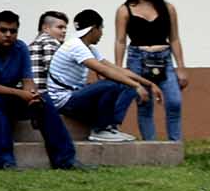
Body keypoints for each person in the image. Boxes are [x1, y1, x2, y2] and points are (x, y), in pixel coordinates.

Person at [0, 10, 82, 171]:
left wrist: (32, 95)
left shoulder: (21, 48)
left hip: (4, 95)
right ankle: (4, 161)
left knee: (44, 101)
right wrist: (21, 94)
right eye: (3, 30)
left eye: (13, 31)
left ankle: (65, 159)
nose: (8, 34)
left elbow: (27, 81)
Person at [47, 8, 147, 142]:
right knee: (111, 85)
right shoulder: (75, 46)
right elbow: (104, 71)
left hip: (76, 95)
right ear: (94, 28)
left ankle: (111, 126)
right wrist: (137, 85)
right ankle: (101, 129)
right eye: (101, 29)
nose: (101, 34)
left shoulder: (89, 48)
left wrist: (145, 84)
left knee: (126, 85)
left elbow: (115, 69)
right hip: (64, 101)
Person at [114, 0, 187, 142]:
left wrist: (181, 67)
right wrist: (118, 69)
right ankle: (151, 145)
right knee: (145, 104)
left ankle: (175, 145)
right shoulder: (125, 10)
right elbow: (120, 40)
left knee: (174, 102)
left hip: (164, 58)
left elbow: (175, 38)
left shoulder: (168, 8)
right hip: (137, 59)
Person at [29, 11, 68, 90]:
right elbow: (55, 70)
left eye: (65, 28)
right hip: (45, 93)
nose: (64, 31)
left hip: (30, 92)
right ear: (45, 28)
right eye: (60, 27)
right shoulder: (50, 41)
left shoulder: (32, 45)